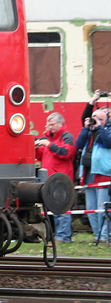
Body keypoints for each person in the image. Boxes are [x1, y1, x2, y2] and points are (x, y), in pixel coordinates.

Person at [36, 112, 76, 242]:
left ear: (60, 124)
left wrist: (48, 145)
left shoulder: (66, 137)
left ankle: (63, 236)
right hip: (50, 178)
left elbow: (66, 152)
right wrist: (36, 147)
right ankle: (53, 234)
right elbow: (41, 155)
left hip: (61, 178)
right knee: (51, 208)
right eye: (48, 124)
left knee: (62, 208)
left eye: (52, 124)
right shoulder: (49, 138)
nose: (48, 127)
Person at [77, 98, 110, 244]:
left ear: (106, 119)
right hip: (88, 172)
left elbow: (109, 142)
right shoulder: (90, 130)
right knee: (91, 207)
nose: (97, 121)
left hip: (103, 172)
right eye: (95, 118)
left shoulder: (106, 130)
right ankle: (98, 236)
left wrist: (101, 128)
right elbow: (78, 144)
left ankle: (104, 236)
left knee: (101, 206)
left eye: (100, 119)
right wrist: (86, 128)